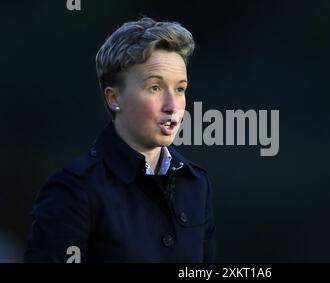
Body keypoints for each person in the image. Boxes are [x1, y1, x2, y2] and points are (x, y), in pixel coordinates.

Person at [24, 17, 215, 262]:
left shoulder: (197, 185)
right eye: (154, 87)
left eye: (180, 89)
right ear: (114, 98)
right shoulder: (72, 190)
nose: (172, 106)